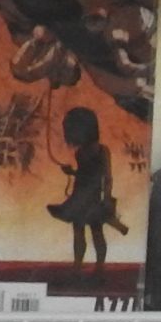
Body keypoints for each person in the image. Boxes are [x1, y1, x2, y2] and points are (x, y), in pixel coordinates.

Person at [46, 106, 123, 271]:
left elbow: (107, 176)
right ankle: (79, 264)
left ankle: (97, 265)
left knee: (94, 231)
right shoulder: (82, 152)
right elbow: (86, 174)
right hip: (81, 196)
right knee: (81, 231)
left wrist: (106, 198)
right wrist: (72, 172)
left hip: (91, 198)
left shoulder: (101, 151)